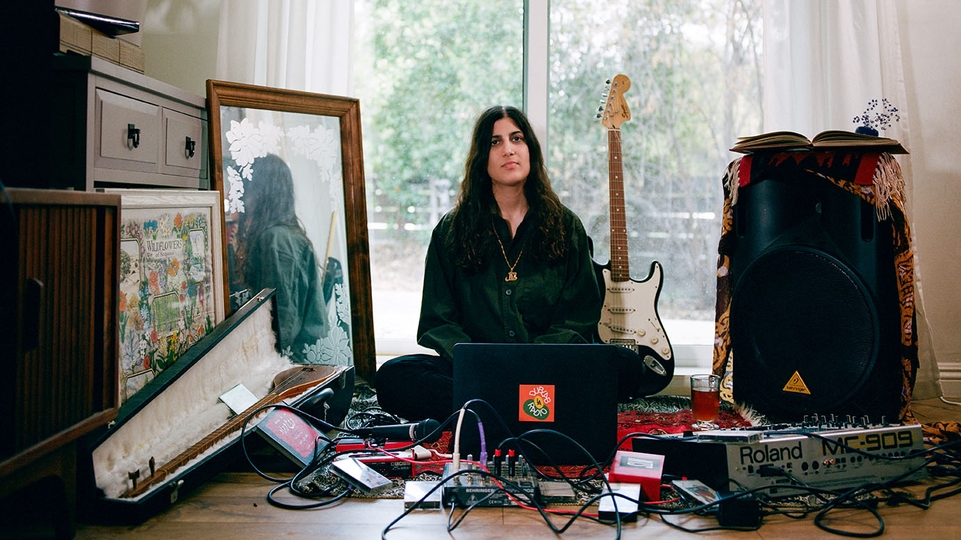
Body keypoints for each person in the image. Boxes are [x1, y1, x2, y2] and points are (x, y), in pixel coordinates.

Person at [375, 106, 644, 422]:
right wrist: (483, 361)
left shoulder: (566, 225)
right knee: (394, 376)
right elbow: (438, 320)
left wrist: (530, 361)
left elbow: (577, 318)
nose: (508, 149)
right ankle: (531, 407)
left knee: (628, 367)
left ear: (530, 149)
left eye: (517, 138)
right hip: (478, 367)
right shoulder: (452, 230)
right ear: (482, 158)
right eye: (495, 142)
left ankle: (485, 408)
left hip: (548, 366)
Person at [234, 153, 328, 363]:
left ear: (263, 192)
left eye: (246, 189)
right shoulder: (282, 234)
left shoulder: (276, 239)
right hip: (296, 353)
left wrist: (271, 363)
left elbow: (283, 313)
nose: (241, 197)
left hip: (292, 358)